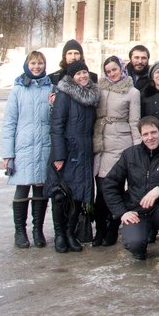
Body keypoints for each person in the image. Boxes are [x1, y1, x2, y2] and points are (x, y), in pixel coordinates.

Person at [102, 116, 159, 270]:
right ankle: (141, 242)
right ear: (140, 136)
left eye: (153, 132)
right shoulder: (129, 155)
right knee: (134, 244)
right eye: (145, 134)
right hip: (137, 212)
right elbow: (109, 184)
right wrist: (122, 212)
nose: (150, 137)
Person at [45, 60, 100, 254]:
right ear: (71, 77)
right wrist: (59, 155)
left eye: (85, 72)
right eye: (78, 74)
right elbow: (56, 127)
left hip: (84, 153)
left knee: (78, 195)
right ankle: (59, 234)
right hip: (66, 153)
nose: (82, 76)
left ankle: (70, 233)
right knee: (60, 195)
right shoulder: (64, 96)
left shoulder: (92, 96)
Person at [1, 50, 53, 248]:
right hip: (22, 147)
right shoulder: (18, 90)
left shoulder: (51, 88)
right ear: (27, 65)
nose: (37, 67)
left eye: (40, 63)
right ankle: (20, 232)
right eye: (33, 63)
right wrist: (8, 153)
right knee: (22, 188)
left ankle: (38, 230)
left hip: (44, 146)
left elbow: (55, 118)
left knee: (41, 189)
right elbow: (9, 122)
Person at [93, 55, 141, 247]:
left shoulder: (132, 92)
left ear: (122, 69)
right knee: (101, 191)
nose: (112, 74)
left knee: (116, 189)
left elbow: (134, 121)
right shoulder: (100, 89)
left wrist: (137, 148)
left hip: (121, 143)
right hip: (101, 143)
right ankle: (100, 230)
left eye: (114, 69)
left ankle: (112, 229)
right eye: (108, 71)